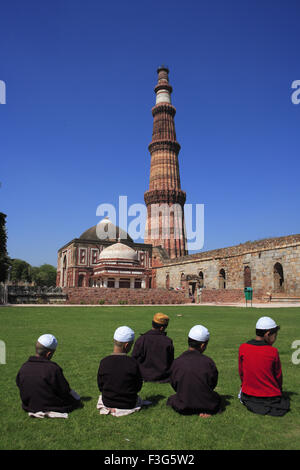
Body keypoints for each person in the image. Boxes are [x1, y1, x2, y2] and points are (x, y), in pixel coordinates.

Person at [16, 334, 82, 418]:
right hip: (50, 405)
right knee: (75, 400)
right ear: (48, 354)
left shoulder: (24, 367)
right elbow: (64, 390)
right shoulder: (53, 369)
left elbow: (19, 384)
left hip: (29, 405)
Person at [238, 316, 290, 417]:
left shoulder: (243, 348)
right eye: (275, 335)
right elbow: (278, 376)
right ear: (268, 334)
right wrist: (279, 390)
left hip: (248, 395)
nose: (276, 338)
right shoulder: (273, 352)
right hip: (270, 397)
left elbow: (242, 373)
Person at [167, 325, 221, 417]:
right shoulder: (208, 362)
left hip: (183, 404)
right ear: (203, 345)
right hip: (206, 403)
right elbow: (212, 384)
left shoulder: (177, 362)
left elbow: (174, 384)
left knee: (173, 399)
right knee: (217, 398)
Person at [97, 326, 151, 417]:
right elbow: (138, 387)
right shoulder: (133, 363)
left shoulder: (104, 362)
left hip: (108, 401)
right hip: (128, 403)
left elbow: (100, 386)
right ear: (127, 345)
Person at [131, 313, 174, 383]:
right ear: (162, 328)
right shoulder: (167, 341)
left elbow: (134, 359)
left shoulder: (142, 339)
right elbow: (170, 362)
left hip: (143, 376)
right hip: (163, 377)